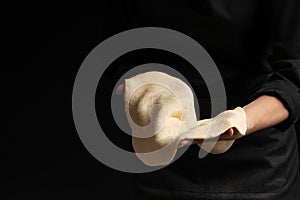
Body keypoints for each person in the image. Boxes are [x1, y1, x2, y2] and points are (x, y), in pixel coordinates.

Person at [111, 0, 300, 199]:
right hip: (164, 146)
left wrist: (238, 121)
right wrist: (144, 89)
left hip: (256, 153)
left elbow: (294, 74)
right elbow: (119, 51)